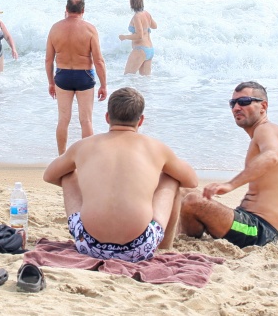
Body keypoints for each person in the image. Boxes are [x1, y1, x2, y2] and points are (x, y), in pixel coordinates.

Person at [43, 87, 198, 262]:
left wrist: (89, 185)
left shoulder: (84, 146)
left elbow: (49, 175)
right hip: (140, 248)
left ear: (107, 117)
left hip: (87, 244)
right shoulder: (154, 147)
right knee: (172, 177)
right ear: (140, 121)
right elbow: (191, 180)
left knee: (67, 174)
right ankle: (164, 247)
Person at [178, 82, 278, 248]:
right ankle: (184, 238)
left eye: (244, 101)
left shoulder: (265, 129)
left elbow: (270, 157)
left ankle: (185, 241)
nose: (237, 107)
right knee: (183, 192)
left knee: (192, 201)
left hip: (257, 231)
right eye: (233, 103)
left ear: (263, 106)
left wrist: (229, 184)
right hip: (248, 223)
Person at [45, 0, 108, 155]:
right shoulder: (89, 29)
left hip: (62, 75)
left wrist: (51, 82)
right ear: (83, 10)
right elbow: (98, 60)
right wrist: (104, 85)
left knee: (63, 120)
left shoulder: (55, 28)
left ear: (66, 9)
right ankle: (86, 159)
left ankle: (61, 157)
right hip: (84, 76)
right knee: (86, 121)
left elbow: (48, 60)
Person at [118, 0, 158, 75]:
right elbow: (155, 26)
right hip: (150, 49)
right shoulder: (147, 14)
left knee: (127, 76)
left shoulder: (137, 17)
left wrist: (125, 37)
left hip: (141, 49)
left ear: (132, 5)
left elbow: (139, 36)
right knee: (144, 82)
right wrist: (146, 24)